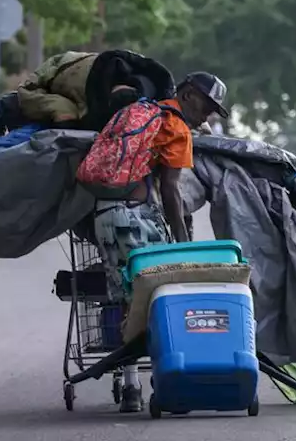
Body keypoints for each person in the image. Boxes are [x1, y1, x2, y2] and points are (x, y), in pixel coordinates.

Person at [91, 71, 229, 412]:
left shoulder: (139, 112)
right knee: (157, 299)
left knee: (125, 299)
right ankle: (161, 382)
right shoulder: (176, 127)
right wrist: (182, 243)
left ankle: (131, 385)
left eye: (214, 109)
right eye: (207, 104)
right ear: (187, 94)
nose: (208, 114)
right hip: (137, 217)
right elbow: (170, 190)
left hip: (104, 216)